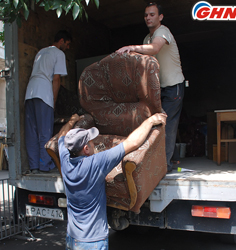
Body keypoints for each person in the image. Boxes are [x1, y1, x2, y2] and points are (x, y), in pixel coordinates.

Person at [58, 112, 167, 250]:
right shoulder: (95, 164)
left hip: (72, 238)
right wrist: (150, 121)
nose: (94, 144)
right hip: (93, 242)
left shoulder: (65, 160)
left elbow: (61, 138)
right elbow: (132, 143)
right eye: (91, 142)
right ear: (86, 149)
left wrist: (71, 121)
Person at [116, 2, 185, 173]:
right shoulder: (147, 39)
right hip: (159, 89)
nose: (148, 17)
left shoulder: (163, 32)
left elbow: (154, 49)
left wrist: (131, 48)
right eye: (146, 15)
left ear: (160, 17)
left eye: (152, 14)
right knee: (158, 124)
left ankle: (165, 166)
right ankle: (172, 159)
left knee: (165, 125)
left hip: (173, 86)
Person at [25, 30, 72, 173]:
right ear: (62, 41)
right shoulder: (59, 53)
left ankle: (34, 166)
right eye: (67, 44)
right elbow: (56, 79)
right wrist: (54, 99)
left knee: (32, 132)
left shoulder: (41, 52)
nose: (68, 48)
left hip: (30, 93)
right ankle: (44, 165)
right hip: (44, 93)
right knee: (45, 132)